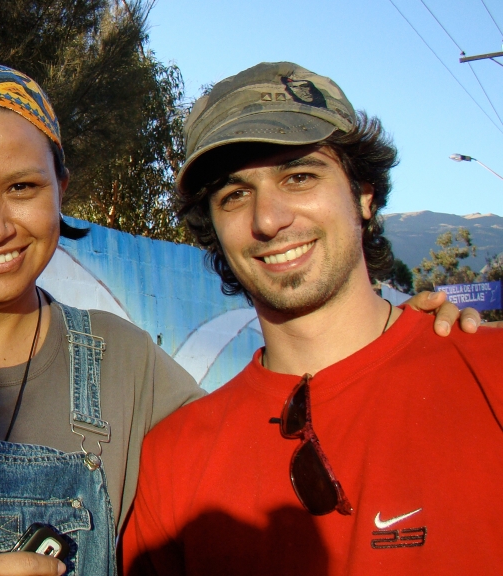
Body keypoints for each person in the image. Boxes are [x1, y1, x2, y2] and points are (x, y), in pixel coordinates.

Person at [0, 62, 475, 576]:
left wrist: (430, 338)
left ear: (62, 187)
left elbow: (272, 429)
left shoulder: (124, 363)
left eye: (24, 188)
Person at [121, 62, 503, 576]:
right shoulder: (174, 459)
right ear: (210, 225)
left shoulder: (488, 374)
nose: (268, 219)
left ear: (363, 194)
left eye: (299, 176)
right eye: (234, 195)